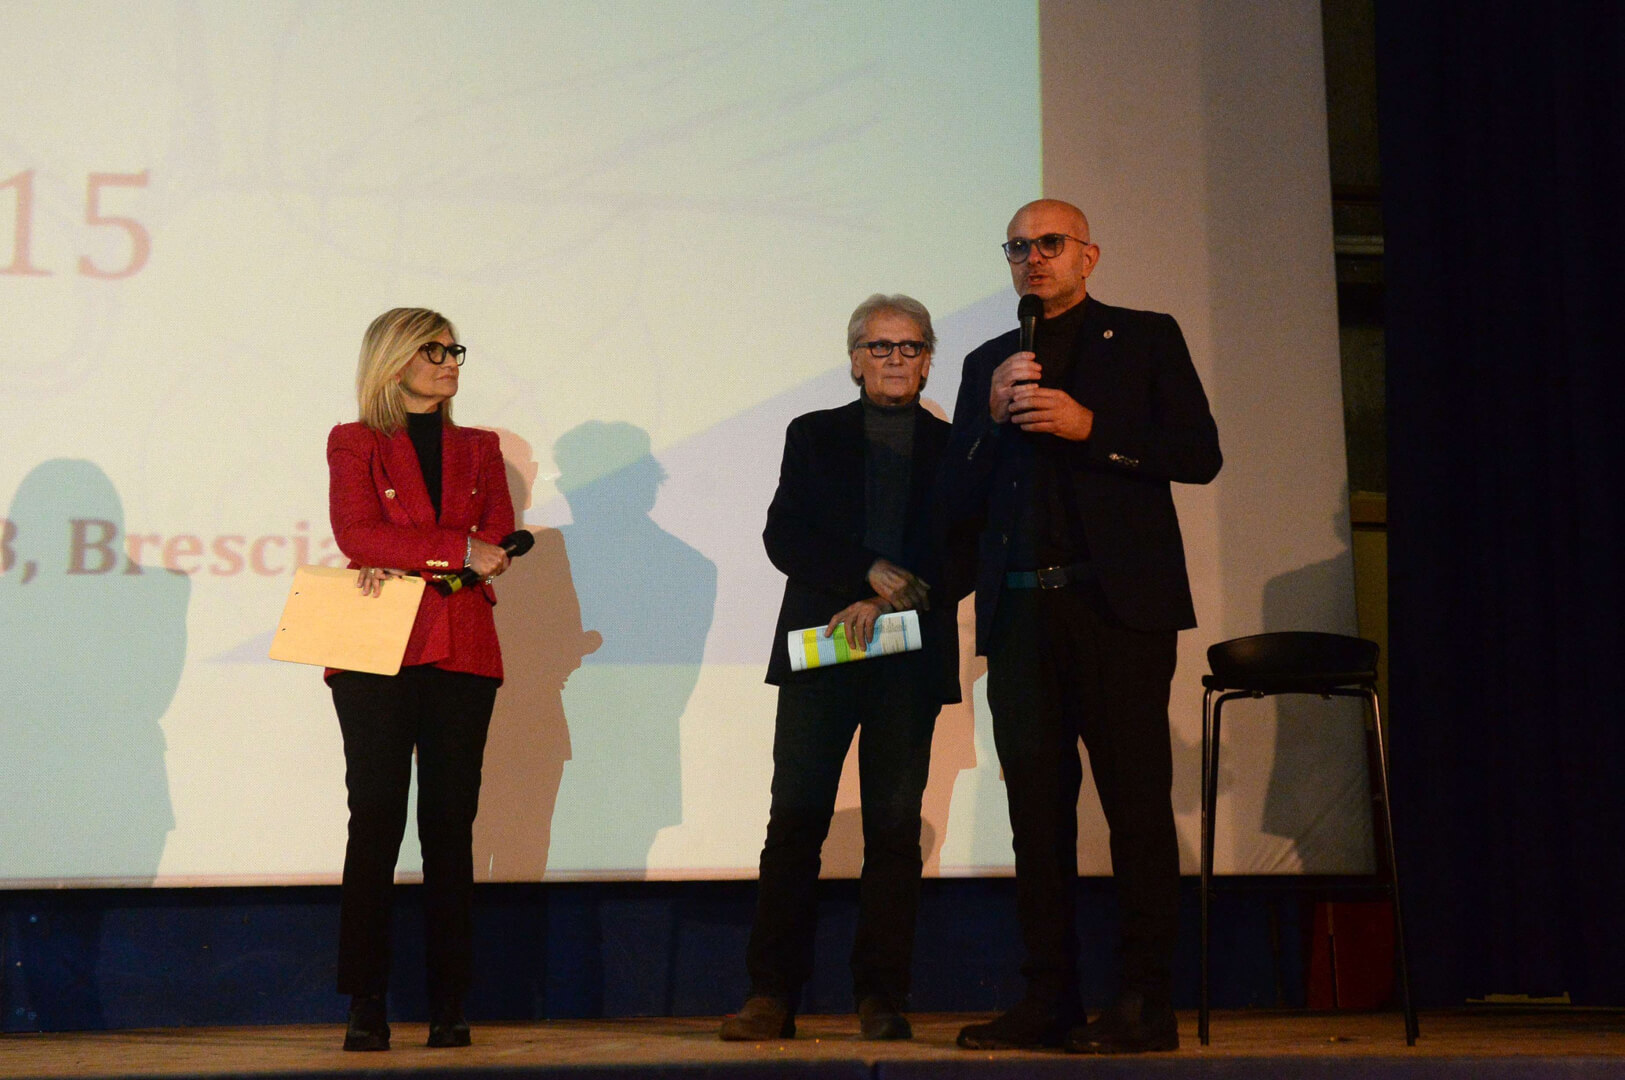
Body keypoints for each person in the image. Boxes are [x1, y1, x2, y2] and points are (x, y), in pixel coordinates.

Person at [943, 201, 1221, 1054]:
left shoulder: (1142, 337)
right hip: (1021, 613)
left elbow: (1197, 454)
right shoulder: (989, 362)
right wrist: (990, 419)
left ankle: (1144, 1003)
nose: (1033, 258)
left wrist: (1092, 429)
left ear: (1087, 256)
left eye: (1050, 243)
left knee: (1135, 807)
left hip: (1116, 611)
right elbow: (954, 496)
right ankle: (1048, 998)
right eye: (1017, 246)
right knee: (1036, 815)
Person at [720, 294, 964, 1042]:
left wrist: (888, 599)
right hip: (822, 651)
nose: (895, 360)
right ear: (855, 360)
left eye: (910, 347)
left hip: (907, 657)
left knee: (893, 830)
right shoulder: (813, 434)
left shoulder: (957, 447)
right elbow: (784, 536)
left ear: (928, 361)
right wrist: (866, 573)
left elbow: (968, 550)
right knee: (795, 822)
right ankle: (771, 995)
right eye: (880, 347)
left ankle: (881, 996)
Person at [325, 307, 515, 1051]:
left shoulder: (480, 446)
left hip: (462, 647)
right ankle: (365, 1001)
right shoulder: (354, 440)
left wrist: (417, 552)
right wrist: (454, 552)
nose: (449, 363)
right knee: (374, 819)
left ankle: (449, 1001)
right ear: (393, 360)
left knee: (449, 823)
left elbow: (496, 541)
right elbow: (357, 534)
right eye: (433, 351)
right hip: (377, 647)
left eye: (453, 350)